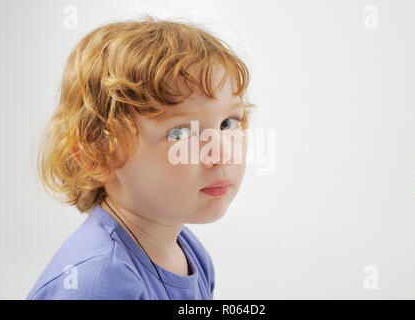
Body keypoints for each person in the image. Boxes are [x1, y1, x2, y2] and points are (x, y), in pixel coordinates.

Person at [26, 15, 256, 300]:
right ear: (97, 156)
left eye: (228, 123)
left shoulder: (188, 252)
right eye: (181, 133)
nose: (221, 153)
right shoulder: (100, 280)